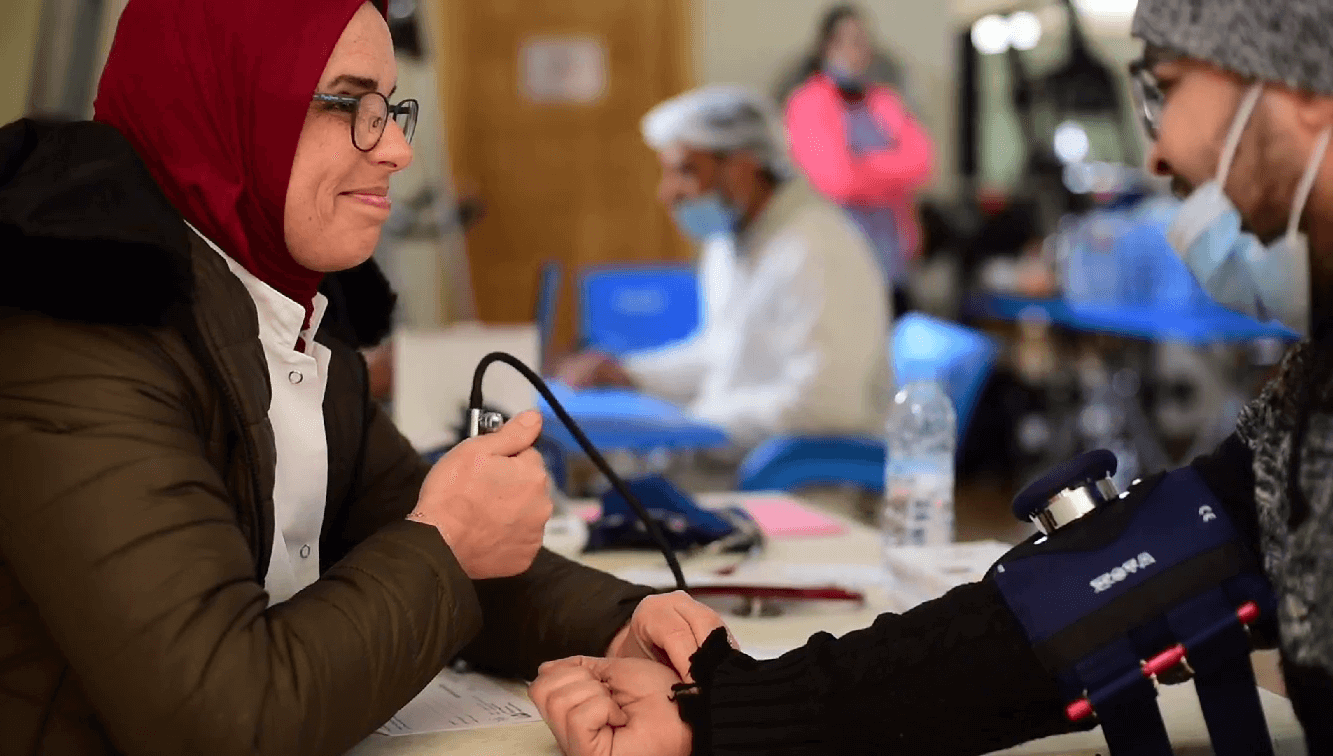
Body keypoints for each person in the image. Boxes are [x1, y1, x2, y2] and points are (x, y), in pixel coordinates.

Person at [529, 0, 1333, 753]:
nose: (1153, 152)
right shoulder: (1310, 403)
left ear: (1305, 92)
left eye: (1165, 90)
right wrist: (727, 708)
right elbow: (1080, 598)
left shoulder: (813, 237)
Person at [0, 1, 727, 753]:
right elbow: (221, 720)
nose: (398, 150)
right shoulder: (72, 335)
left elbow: (433, 552)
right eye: (350, 103)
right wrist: (445, 536)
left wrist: (622, 620)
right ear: (223, 99)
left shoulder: (293, 320)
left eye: (390, 107)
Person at [557, 85, 892, 454]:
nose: (666, 194)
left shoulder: (817, 247)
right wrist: (630, 375)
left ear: (741, 168)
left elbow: (828, 406)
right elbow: (723, 355)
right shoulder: (734, 240)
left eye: (684, 171)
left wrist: (697, 421)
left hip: (803, 480)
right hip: (737, 456)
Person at [784, 4, 934, 316]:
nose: (856, 51)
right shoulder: (807, 103)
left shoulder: (884, 101)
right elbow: (838, 181)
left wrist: (863, 164)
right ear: (826, 47)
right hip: (833, 259)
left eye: (862, 42)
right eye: (846, 42)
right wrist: (891, 171)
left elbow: (922, 162)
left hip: (891, 259)